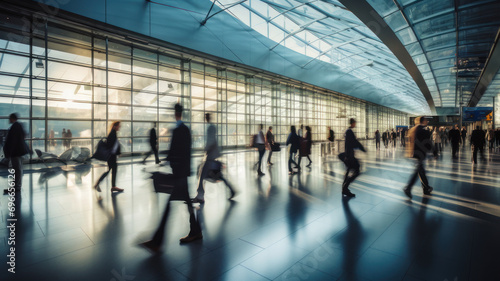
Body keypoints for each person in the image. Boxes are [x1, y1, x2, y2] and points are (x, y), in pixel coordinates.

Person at [139, 104, 202, 253]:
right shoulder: (182, 129)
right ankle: (195, 231)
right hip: (180, 172)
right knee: (185, 202)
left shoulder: (182, 130)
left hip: (180, 173)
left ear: (176, 113)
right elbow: (179, 151)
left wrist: (171, 164)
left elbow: (182, 152)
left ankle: (157, 241)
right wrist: (167, 162)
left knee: (170, 206)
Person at [192, 113, 235, 203]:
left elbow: (210, 142)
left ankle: (200, 196)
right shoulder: (212, 127)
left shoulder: (210, 128)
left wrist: (206, 151)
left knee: (202, 174)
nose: (205, 118)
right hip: (213, 155)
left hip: (210, 156)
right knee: (219, 176)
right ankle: (232, 190)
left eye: (206, 117)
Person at [403, 116, 434, 199]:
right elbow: (428, 143)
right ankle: (408, 188)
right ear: (422, 121)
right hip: (420, 153)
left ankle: (426, 188)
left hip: (413, 153)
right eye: (426, 120)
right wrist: (434, 152)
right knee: (418, 171)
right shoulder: (424, 130)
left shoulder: (413, 129)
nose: (427, 121)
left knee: (420, 171)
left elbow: (408, 141)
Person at [93, 122, 124, 193]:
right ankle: (98, 184)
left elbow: (115, 145)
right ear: (114, 126)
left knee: (113, 170)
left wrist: (117, 152)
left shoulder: (113, 133)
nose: (119, 127)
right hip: (111, 156)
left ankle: (113, 186)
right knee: (110, 170)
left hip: (112, 156)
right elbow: (111, 146)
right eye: (118, 126)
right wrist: (117, 152)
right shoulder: (112, 134)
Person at [3, 113, 28, 194]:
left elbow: (12, 141)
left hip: (15, 152)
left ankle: (16, 187)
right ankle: (17, 186)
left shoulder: (15, 126)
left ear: (12, 118)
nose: (8, 120)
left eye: (9, 118)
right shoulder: (18, 126)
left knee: (16, 169)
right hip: (18, 151)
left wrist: (9, 151)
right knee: (18, 169)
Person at [340, 118, 366, 197]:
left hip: (348, 155)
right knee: (357, 170)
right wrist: (362, 148)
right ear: (353, 123)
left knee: (348, 170)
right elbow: (354, 142)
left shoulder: (348, 131)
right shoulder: (349, 131)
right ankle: (345, 187)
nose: (355, 124)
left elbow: (352, 143)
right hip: (350, 155)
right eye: (355, 123)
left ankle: (344, 188)